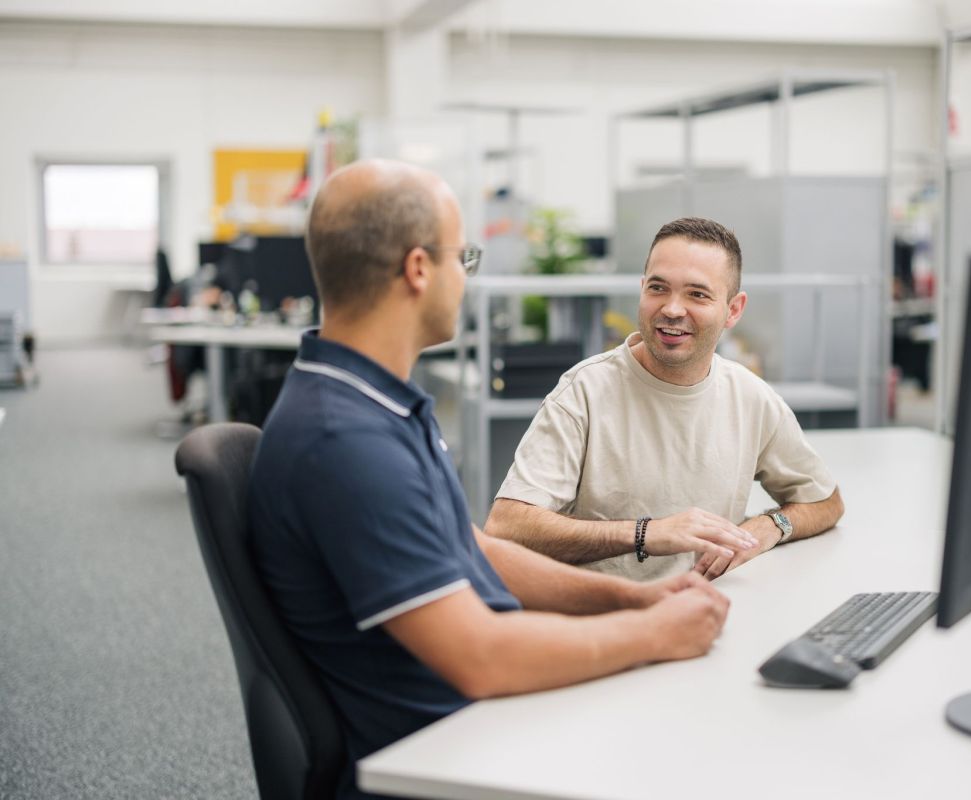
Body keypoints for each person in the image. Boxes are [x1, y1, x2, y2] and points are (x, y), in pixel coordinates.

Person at [247, 161, 729, 800]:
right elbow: (479, 657)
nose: (465, 278)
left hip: (480, 724)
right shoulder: (346, 442)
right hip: (449, 756)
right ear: (419, 269)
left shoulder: (374, 402)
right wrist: (654, 634)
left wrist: (631, 601)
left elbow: (471, 548)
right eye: (463, 258)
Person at [486, 217, 844, 582]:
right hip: (605, 611)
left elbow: (825, 501)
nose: (672, 309)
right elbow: (506, 527)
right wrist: (644, 534)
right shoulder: (584, 392)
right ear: (642, 290)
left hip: (710, 606)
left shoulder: (751, 398)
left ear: (733, 309)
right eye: (658, 288)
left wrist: (771, 526)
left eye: (697, 294)